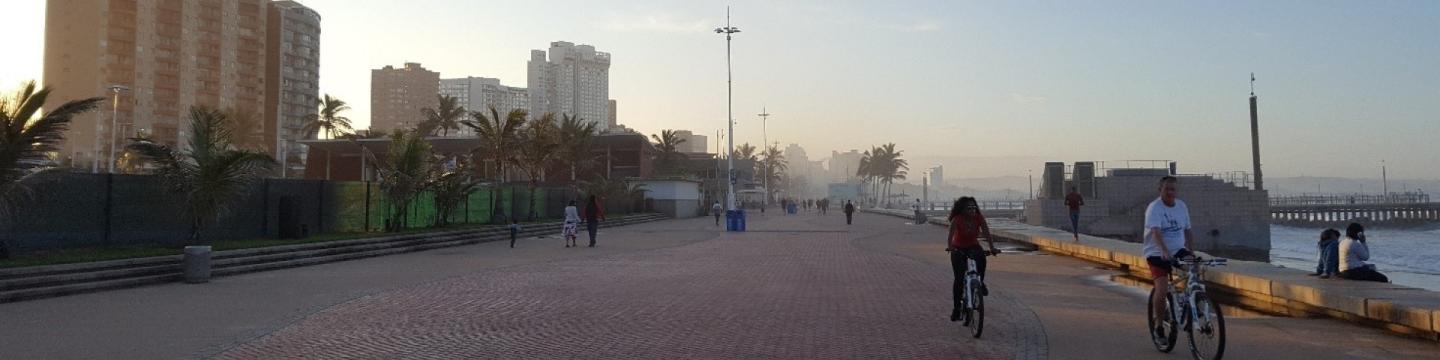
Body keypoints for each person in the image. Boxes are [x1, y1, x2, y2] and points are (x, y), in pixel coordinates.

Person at [1144, 176, 1194, 346]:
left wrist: (1190, 252)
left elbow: (1188, 231)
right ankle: (1158, 326)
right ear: (1160, 190)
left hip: (1178, 249)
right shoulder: (1154, 208)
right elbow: (1156, 232)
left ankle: (1193, 303)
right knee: (1162, 287)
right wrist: (1164, 251)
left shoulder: (1181, 206)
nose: (1170, 193)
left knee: (1196, 271)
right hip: (1157, 252)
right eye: (1167, 189)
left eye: (1173, 189)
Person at [947, 197, 1001, 321]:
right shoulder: (957, 219)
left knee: (982, 259)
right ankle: (956, 309)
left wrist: (992, 248)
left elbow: (987, 233)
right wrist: (950, 247)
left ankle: (980, 283)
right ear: (962, 209)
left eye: (974, 208)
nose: (972, 210)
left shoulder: (979, 218)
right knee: (959, 279)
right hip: (958, 248)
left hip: (973, 246)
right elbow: (950, 235)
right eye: (969, 208)